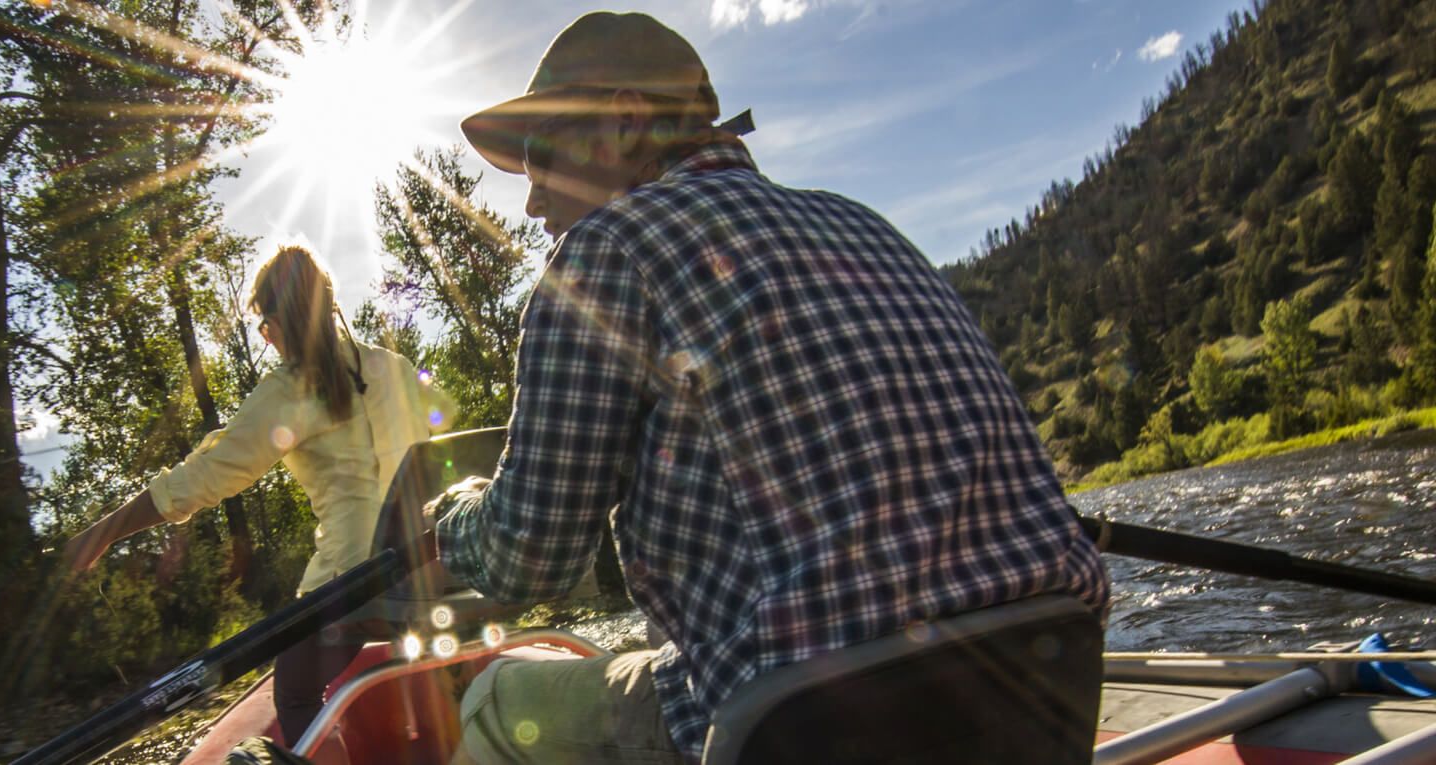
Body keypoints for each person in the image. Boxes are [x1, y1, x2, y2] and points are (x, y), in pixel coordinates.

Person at [428, 11, 1110, 763]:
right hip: (1043, 689)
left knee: (495, 696)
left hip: (803, 725)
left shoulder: (607, 251)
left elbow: (531, 556)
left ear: (624, 122)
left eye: (542, 156)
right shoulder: (863, 226)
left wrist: (446, 519)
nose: (532, 202)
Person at [61, 245, 454, 747]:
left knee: (294, 692)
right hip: (431, 569)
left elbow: (206, 476)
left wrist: (102, 534)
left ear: (279, 323)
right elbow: (440, 435)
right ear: (329, 307)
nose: (268, 342)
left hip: (356, 582)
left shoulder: (291, 389)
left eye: (266, 330)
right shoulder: (392, 366)